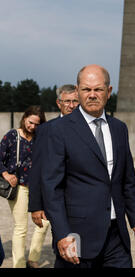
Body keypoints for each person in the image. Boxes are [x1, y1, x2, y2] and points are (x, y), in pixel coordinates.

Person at [41, 65, 135, 268]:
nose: (91, 95)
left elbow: (127, 180)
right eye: (86, 89)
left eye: (97, 89)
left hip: (117, 237)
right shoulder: (59, 130)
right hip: (77, 236)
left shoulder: (119, 129)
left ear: (108, 91)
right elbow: (52, 188)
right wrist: (62, 234)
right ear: (78, 90)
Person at [27, 84, 79, 266]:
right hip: (57, 202)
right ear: (59, 103)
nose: (71, 105)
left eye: (75, 101)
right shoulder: (46, 130)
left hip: (82, 202)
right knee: (64, 250)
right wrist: (35, 205)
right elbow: (37, 169)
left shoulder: (89, 128)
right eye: (67, 101)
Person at [0, 106, 46, 268]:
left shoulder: (40, 137)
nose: (32, 127)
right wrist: (6, 174)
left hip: (38, 187)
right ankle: (18, 265)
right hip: (18, 187)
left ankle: (33, 259)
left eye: (36, 124)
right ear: (24, 118)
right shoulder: (12, 136)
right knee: (21, 227)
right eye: (30, 122)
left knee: (44, 223)